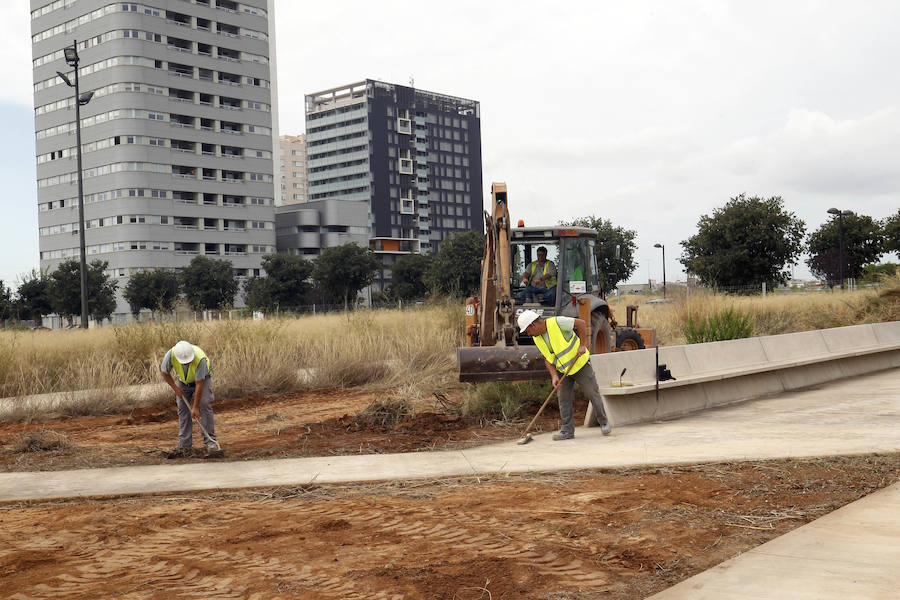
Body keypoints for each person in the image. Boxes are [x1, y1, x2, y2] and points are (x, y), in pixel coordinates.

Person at [517, 309, 611, 440]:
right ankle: (567, 431)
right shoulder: (537, 338)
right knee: (563, 398)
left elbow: (582, 324)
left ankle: (604, 422)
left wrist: (583, 345)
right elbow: (547, 359)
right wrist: (554, 376)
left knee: (592, 393)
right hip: (563, 370)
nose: (528, 333)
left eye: (527, 330)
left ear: (533, 325)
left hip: (579, 364)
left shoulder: (557, 322)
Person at [160, 340, 219, 455]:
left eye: (188, 361)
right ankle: (184, 444)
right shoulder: (171, 355)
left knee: (205, 403)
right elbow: (164, 372)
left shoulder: (199, 359)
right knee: (182, 408)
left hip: (202, 379)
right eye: (184, 362)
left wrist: (195, 407)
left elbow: (199, 384)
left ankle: (210, 441)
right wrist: (175, 388)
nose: (187, 363)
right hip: (183, 381)